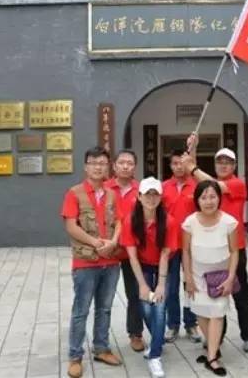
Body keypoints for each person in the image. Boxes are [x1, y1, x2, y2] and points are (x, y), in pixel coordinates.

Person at [182, 134, 248, 352]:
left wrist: (192, 166)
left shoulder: (237, 184)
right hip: (212, 250)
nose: (224, 165)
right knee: (214, 294)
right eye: (220, 162)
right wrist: (193, 148)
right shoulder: (208, 187)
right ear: (215, 165)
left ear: (234, 166)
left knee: (240, 294)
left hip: (235, 249)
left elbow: (207, 181)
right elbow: (199, 180)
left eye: (228, 162)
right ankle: (217, 337)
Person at [61, 147, 124, 378]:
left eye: (102, 163)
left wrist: (113, 242)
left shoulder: (112, 194)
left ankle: (101, 348)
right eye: (93, 162)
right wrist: (96, 243)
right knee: (81, 310)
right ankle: (75, 356)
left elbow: (120, 221)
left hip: (111, 261)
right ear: (85, 166)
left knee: (104, 309)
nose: (98, 167)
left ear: (108, 167)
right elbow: (71, 226)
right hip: (85, 263)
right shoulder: (74, 193)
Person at [120, 177, 178, 378]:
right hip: (142, 266)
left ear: (161, 197)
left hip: (164, 266)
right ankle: (158, 339)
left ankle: (155, 355)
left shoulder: (169, 221)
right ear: (139, 196)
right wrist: (143, 285)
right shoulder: (131, 220)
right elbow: (132, 256)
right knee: (145, 305)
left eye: (155, 194)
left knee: (159, 306)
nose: (151, 199)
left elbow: (165, 254)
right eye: (147, 194)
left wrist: (160, 284)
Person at [182, 181, 239, 377]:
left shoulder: (229, 222)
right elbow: (185, 251)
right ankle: (213, 348)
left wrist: (230, 277)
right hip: (197, 276)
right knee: (201, 312)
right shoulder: (190, 222)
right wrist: (188, 277)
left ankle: (212, 357)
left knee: (217, 313)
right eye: (204, 197)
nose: (208, 201)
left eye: (213, 196)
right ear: (197, 200)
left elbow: (234, 251)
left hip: (220, 277)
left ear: (219, 198)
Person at [105, 150, 145, 352]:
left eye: (130, 163)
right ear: (114, 166)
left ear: (134, 167)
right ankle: (101, 339)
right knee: (105, 297)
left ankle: (136, 334)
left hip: (133, 252)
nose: (125, 166)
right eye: (121, 162)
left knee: (135, 294)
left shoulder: (142, 190)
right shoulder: (104, 188)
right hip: (108, 250)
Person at [161, 149, 202, 344]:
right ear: (170, 166)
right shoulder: (163, 187)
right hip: (170, 246)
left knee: (190, 285)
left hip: (191, 245)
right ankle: (173, 324)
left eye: (182, 163)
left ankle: (191, 323)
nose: (179, 167)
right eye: (175, 163)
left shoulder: (196, 186)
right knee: (170, 287)